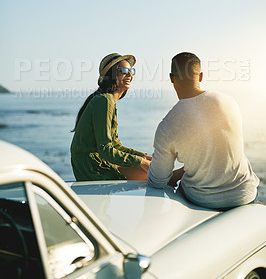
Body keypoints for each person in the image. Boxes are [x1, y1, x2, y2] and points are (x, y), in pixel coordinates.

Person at [147, 52, 259, 209]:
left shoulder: (168, 125)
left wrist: (152, 165)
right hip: (244, 195)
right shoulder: (229, 101)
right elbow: (214, 155)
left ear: (172, 78)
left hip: (201, 201)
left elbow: (157, 181)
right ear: (200, 76)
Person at [71, 53, 151, 181]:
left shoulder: (108, 101)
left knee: (150, 173)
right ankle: (184, 174)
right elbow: (106, 150)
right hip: (92, 167)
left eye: (131, 71)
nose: (129, 75)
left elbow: (115, 145)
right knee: (152, 175)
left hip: (97, 161)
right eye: (124, 71)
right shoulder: (104, 101)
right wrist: (142, 162)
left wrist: (143, 157)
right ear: (111, 74)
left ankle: (181, 174)